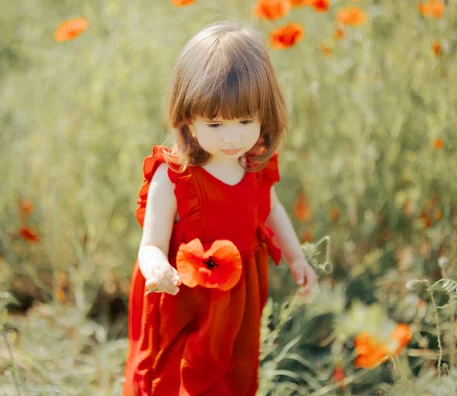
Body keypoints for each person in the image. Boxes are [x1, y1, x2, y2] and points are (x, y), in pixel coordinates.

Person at [122, 21, 318, 396]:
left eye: (246, 121)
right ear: (188, 120)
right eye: (215, 123)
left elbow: (270, 211)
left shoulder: (253, 164)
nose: (232, 138)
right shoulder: (175, 178)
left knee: (232, 374)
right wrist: (157, 268)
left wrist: (296, 258)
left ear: (265, 114)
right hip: (183, 305)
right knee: (175, 379)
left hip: (235, 308)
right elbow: (149, 244)